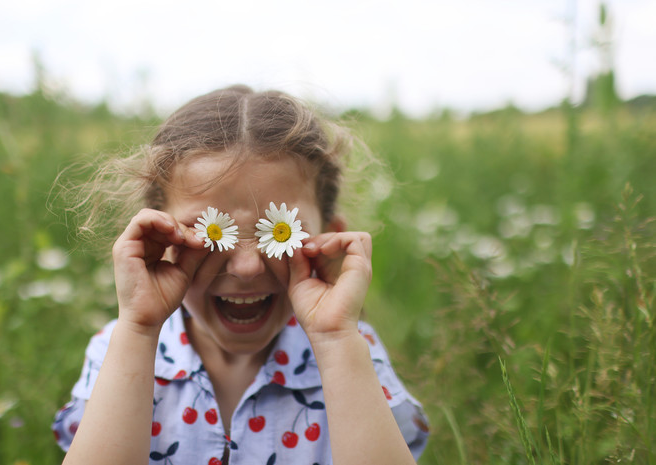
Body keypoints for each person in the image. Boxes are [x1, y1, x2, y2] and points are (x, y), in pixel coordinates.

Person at [53, 85, 429, 464]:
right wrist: (138, 328)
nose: (247, 268)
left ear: (328, 240)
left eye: (279, 230)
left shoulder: (353, 351)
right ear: (160, 238)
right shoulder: (121, 350)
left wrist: (335, 340)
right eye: (209, 232)